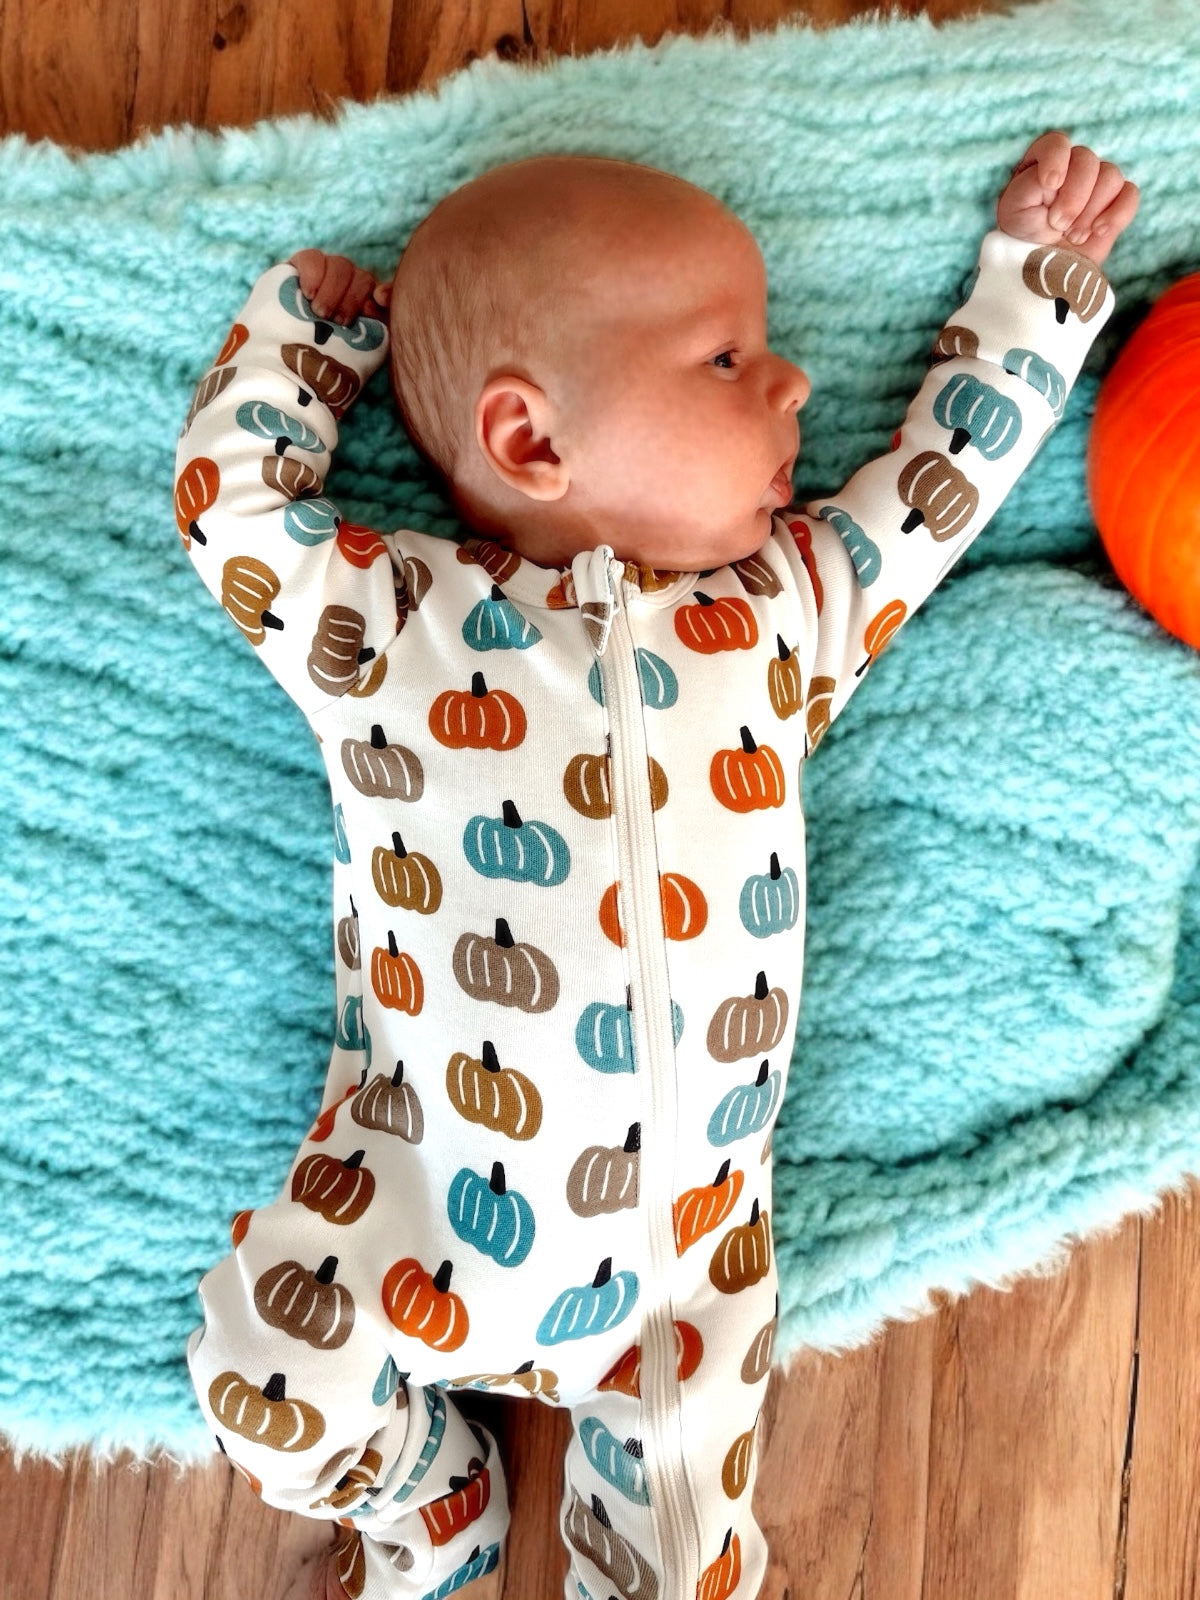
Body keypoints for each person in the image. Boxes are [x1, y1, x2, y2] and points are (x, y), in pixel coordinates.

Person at [174, 133, 1136, 1600]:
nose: (796, 383)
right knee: (260, 1366)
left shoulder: (778, 616)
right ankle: (428, 1502)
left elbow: (935, 489)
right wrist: (303, 346)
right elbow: (237, 513)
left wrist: (1037, 295)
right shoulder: (390, 624)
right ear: (533, 440)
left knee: (688, 1567)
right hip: (418, 1198)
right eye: (728, 357)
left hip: (679, 1281)